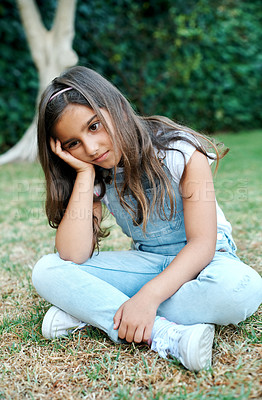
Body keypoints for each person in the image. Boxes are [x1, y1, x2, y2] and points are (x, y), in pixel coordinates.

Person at [32, 66, 262, 372]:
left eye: (94, 126)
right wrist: (85, 174)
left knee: (241, 290)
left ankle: (92, 312)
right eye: (73, 143)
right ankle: (163, 334)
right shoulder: (96, 170)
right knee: (47, 270)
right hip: (147, 264)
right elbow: (73, 254)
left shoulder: (180, 151)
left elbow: (202, 244)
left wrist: (148, 297)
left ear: (115, 108)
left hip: (206, 262)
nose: (91, 147)